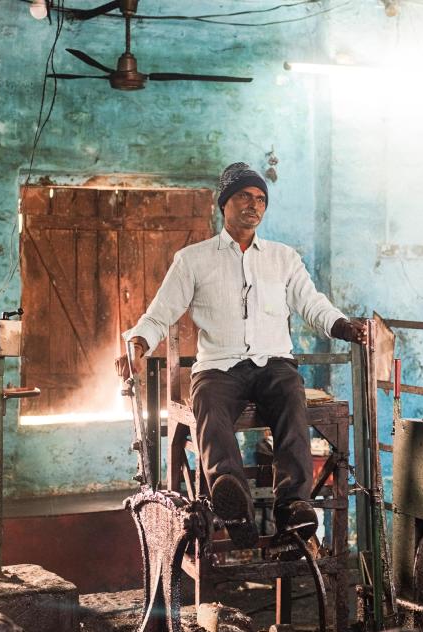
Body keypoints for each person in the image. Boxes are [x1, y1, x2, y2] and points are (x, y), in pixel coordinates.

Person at [117, 162, 366, 549]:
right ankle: (232, 501)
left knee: (291, 400)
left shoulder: (284, 258)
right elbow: (159, 313)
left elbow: (312, 304)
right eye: (244, 197)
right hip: (219, 366)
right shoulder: (193, 259)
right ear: (224, 204)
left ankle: (293, 505)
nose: (254, 205)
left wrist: (343, 326)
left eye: (261, 199)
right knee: (209, 407)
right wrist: (137, 343)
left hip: (274, 363)